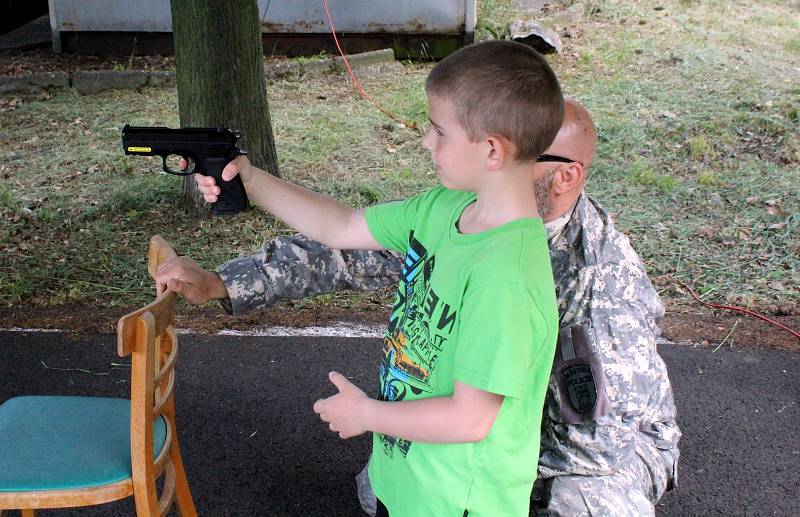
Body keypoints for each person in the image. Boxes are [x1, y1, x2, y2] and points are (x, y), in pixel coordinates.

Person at [158, 103, 680, 516]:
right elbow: (345, 246)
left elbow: (596, 440)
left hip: (583, 451)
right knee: (378, 489)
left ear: (565, 177)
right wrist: (222, 283)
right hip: (477, 413)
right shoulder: (468, 214)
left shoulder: (602, 287)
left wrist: (484, 477)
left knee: (585, 507)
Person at [160, 40, 566, 516]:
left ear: (492, 150)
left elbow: (471, 417)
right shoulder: (446, 209)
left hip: (457, 503)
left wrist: (367, 414)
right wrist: (249, 178)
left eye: (439, 132)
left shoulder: (507, 277)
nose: (426, 142)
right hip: (408, 484)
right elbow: (343, 227)